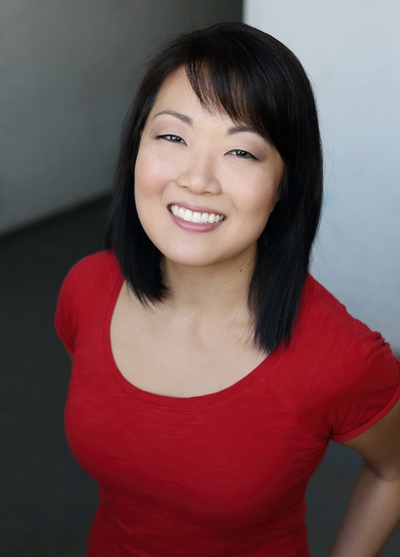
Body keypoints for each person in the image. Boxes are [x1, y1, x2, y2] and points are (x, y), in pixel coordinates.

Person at [55, 21, 400, 557]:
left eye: (241, 152)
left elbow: (393, 468)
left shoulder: (339, 357)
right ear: (136, 148)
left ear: (284, 184)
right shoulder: (87, 289)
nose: (197, 179)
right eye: (173, 137)